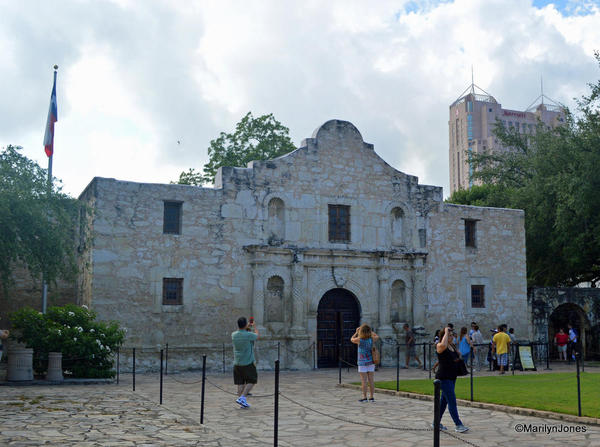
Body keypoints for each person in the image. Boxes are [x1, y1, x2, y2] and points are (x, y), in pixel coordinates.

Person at [433, 326, 469, 433]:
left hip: (452, 377)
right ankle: (458, 424)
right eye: (449, 335)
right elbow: (443, 346)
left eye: (452, 335)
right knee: (452, 400)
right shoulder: (440, 345)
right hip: (444, 378)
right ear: (444, 336)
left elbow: (453, 357)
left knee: (443, 402)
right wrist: (445, 331)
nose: (451, 336)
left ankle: (436, 423)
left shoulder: (452, 346)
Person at [232, 316, 259, 408]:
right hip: (247, 362)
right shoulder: (248, 335)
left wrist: (246, 326)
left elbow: (241, 331)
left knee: (240, 382)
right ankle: (243, 397)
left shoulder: (234, 335)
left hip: (237, 362)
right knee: (252, 380)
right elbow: (256, 335)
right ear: (245, 324)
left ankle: (241, 401)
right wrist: (254, 326)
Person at [350, 324, 379, 402]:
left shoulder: (359, 340)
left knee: (364, 381)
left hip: (362, 362)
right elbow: (377, 336)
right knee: (371, 380)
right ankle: (372, 397)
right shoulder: (371, 339)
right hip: (370, 362)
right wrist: (371, 332)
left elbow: (352, 339)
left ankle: (364, 397)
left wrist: (356, 332)